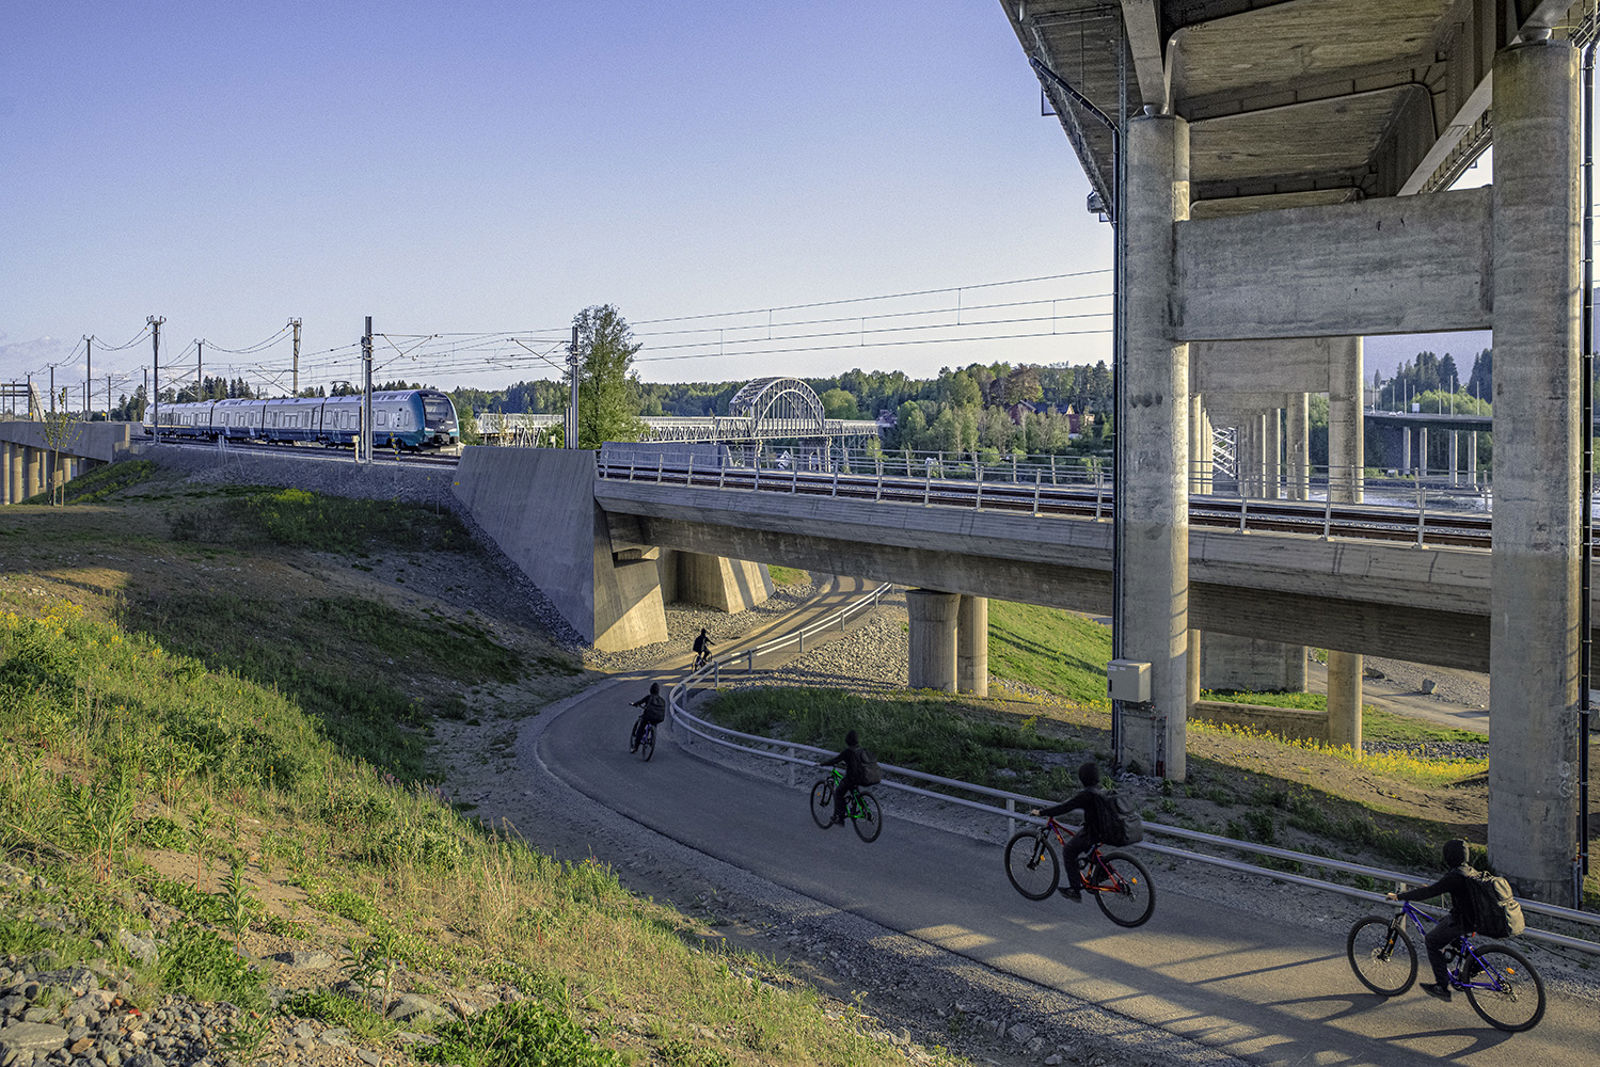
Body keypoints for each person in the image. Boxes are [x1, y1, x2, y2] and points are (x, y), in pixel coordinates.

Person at [1385, 838, 1478, 1001]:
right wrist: (1435, 888)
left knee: (1432, 941)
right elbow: (1442, 887)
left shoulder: (1455, 876)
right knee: (1444, 924)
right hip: (1473, 918)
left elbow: (1427, 894)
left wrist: (1399, 896)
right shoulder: (1468, 870)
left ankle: (1441, 987)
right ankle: (1474, 964)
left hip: (1462, 920)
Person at [1028, 761, 1109, 902]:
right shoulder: (1101, 790)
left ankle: (1074, 890)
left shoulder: (1086, 794)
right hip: (1105, 831)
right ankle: (1105, 872)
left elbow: (1065, 807)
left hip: (1093, 832)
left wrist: (1041, 812)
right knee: (1084, 845)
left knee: (1069, 851)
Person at [818, 729, 866, 827]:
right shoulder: (861, 750)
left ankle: (840, 818)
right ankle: (864, 809)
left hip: (851, 778)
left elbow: (835, 760)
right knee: (855, 792)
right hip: (861, 777)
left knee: (838, 794)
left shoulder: (847, 752)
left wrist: (822, 764)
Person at [629, 682, 667, 749]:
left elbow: (640, 702)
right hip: (659, 718)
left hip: (648, 716)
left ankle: (635, 746)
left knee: (640, 729)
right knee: (654, 724)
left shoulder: (649, 697)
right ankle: (652, 737)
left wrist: (634, 704)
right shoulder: (662, 700)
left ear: (651, 690)